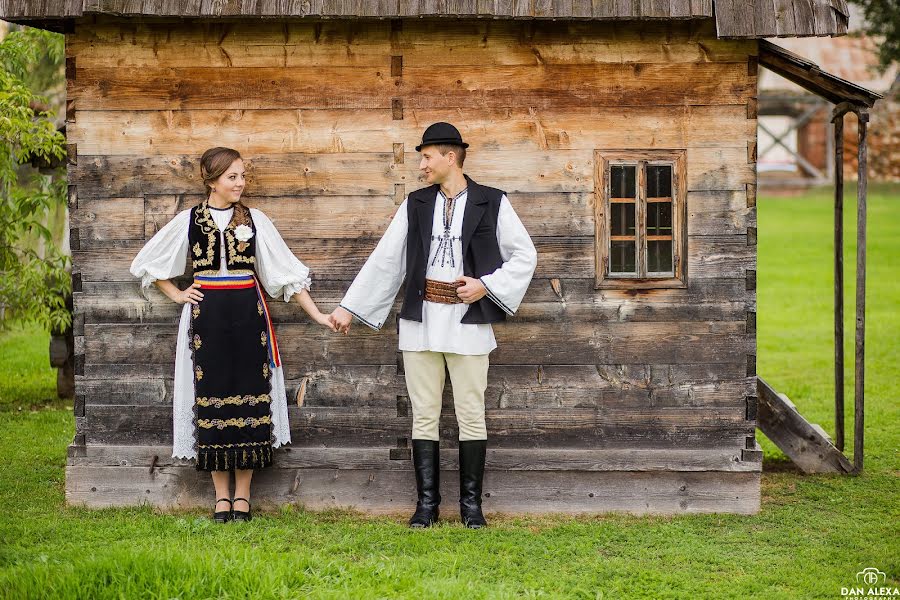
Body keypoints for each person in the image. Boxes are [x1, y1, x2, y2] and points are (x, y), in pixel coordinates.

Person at [329, 122, 537, 529]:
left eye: (427, 156)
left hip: (468, 321)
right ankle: (427, 506)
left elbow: (524, 255)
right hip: (421, 320)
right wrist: (349, 308)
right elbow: (388, 259)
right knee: (423, 414)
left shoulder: (492, 201)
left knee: (471, 414)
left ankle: (471, 508)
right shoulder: (417, 204)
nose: (421, 165)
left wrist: (485, 285)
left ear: (450, 156)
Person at [130, 147, 335, 523]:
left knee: (249, 398)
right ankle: (220, 496)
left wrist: (318, 314)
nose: (240, 183)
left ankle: (243, 495)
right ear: (212, 181)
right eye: (232, 177)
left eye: (242, 176)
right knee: (209, 395)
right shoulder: (190, 220)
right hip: (205, 318)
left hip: (246, 316)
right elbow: (149, 262)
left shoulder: (255, 220)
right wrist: (177, 293)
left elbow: (284, 273)